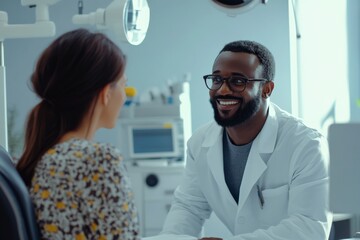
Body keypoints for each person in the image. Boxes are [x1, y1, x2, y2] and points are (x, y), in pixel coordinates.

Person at [159, 40, 332, 239]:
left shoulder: (306, 145)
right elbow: (189, 207)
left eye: (238, 81)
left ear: (267, 89)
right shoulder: (199, 143)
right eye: (217, 80)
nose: (223, 90)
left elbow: (310, 228)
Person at [16, 28, 140, 240]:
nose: (124, 95)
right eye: (123, 84)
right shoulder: (97, 160)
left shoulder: (46, 157)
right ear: (105, 93)